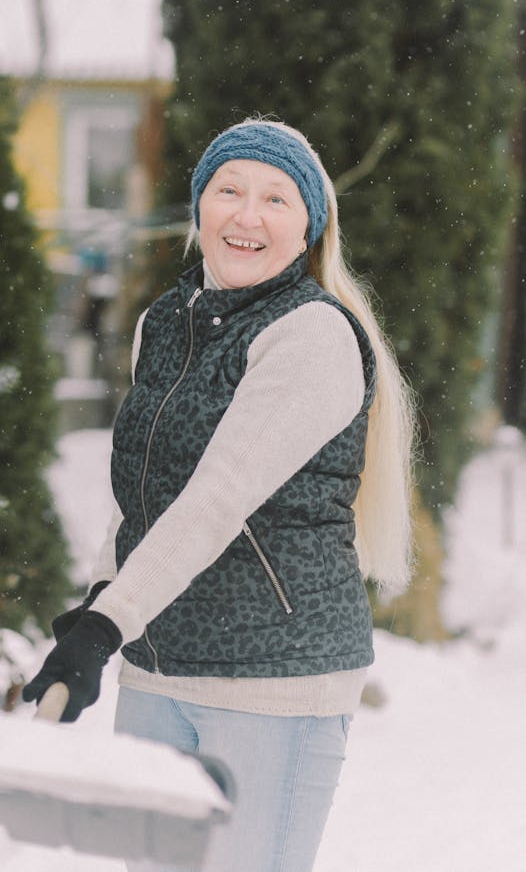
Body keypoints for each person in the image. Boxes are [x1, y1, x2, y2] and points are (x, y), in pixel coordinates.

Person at [23, 118, 415, 872]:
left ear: (309, 229)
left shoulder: (311, 335)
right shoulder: (164, 322)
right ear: (199, 207)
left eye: (275, 198)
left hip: (276, 678)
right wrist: (104, 597)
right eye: (228, 190)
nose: (247, 215)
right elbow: (142, 489)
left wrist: (106, 625)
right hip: (159, 666)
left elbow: (215, 498)